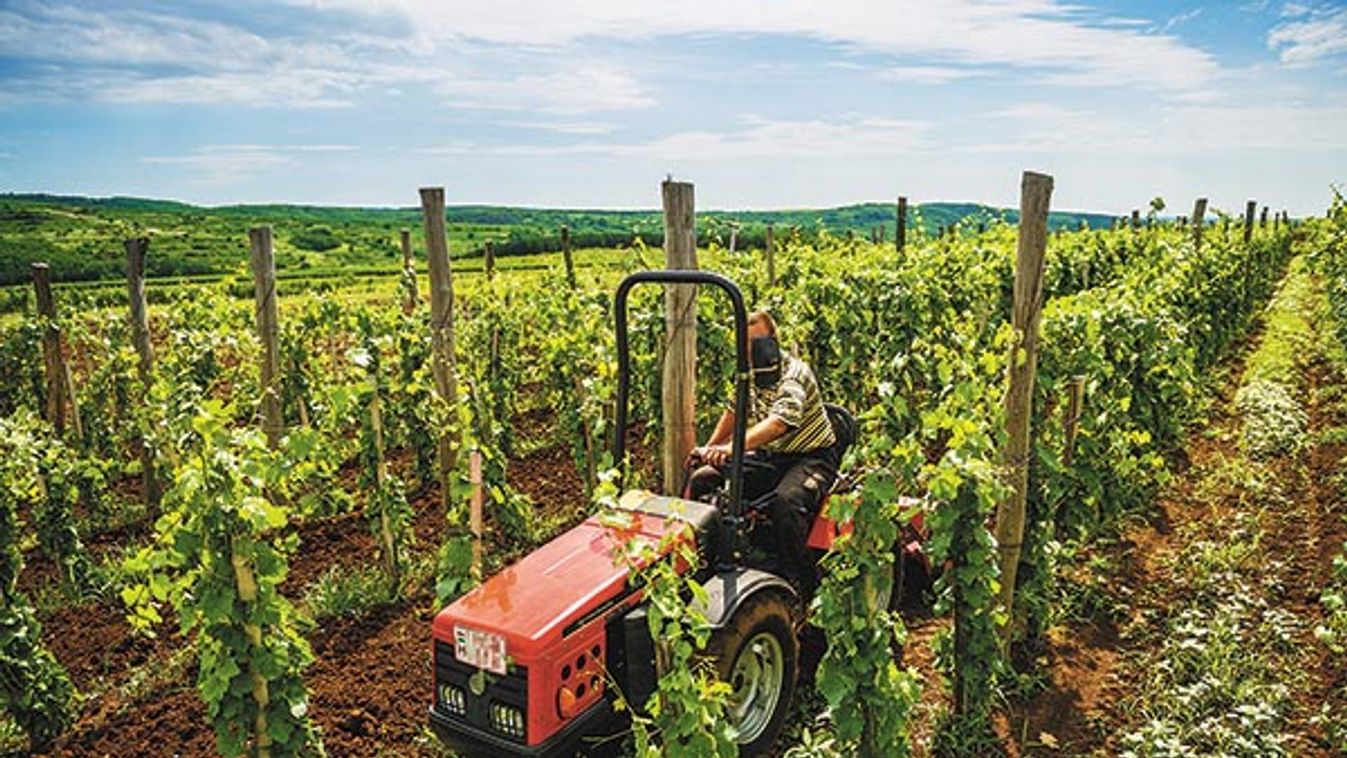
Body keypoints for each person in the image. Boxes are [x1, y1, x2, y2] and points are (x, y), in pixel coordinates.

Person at [686, 310, 837, 602]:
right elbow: (734, 410)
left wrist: (731, 449)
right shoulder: (748, 374)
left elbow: (779, 423)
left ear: (772, 339)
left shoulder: (793, 373)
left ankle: (803, 583)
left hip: (811, 457)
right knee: (703, 480)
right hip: (772, 457)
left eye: (756, 342)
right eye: (744, 343)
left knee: (786, 504)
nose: (750, 350)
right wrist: (710, 448)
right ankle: (709, 563)